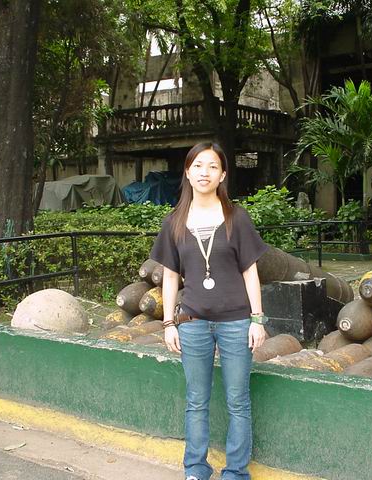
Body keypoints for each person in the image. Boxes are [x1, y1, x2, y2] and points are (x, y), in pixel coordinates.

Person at [150, 142, 269, 480]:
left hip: (236, 322)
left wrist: (257, 319)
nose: (205, 172)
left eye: (213, 166)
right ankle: (196, 469)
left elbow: (250, 272)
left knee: (238, 401)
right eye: (198, 166)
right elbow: (170, 277)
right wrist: (168, 324)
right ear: (188, 173)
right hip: (192, 323)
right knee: (196, 400)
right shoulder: (174, 222)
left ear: (223, 175)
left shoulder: (236, 218)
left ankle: (235, 472)